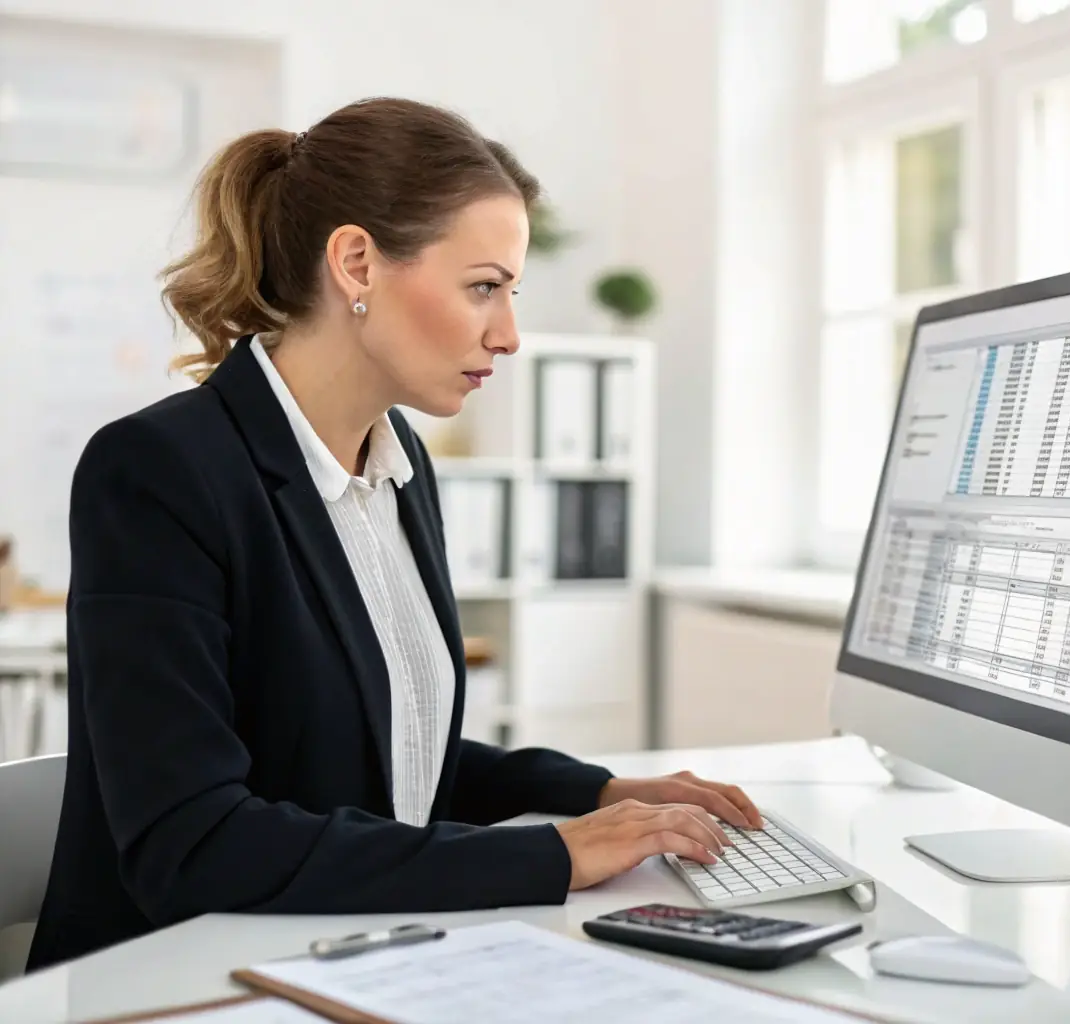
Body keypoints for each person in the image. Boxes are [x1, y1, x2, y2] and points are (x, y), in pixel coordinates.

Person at [28, 96, 762, 971]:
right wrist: (551, 856)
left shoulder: (396, 462)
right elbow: (193, 842)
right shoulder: (158, 470)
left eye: (511, 292)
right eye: (483, 286)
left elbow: (390, 749)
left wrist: (595, 791)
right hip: (172, 979)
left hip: (345, 948)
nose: (510, 333)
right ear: (356, 264)